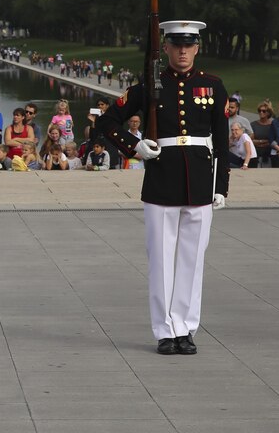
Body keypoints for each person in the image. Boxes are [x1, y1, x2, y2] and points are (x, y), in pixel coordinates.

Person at [95, 20, 229, 356]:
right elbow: (107, 121)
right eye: (176, 45)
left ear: (197, 48)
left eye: (189, 45)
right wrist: (134, 147)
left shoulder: (212, 86)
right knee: (161, 260)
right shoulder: (148, 88)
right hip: (161, 179)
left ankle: (186, 327)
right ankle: (164, 330)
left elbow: (222, 141)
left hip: (199, 180)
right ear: (166, 47)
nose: (183, 51)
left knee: (192, 260)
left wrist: (221, 185)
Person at [250, 102, 274, 169]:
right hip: (256, 154)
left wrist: (259, 142)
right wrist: (262, 141)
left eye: (264, 111)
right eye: (259, 111)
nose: (261, 112)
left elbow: (272, 141)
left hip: (268, 154)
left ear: (268, 113)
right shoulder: (253, 124)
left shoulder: (273, 125)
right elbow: (251, 141)